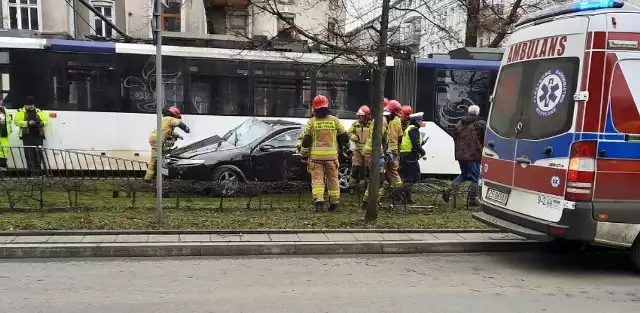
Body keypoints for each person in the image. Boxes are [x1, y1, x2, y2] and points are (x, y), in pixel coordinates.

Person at [300, 95, 349, 212]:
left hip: (316, 158)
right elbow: (345, 137)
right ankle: (334, 202)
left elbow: (306, 140)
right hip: (332, 157)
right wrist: (343, 148)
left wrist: (304, 154)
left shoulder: (311, 122)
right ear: (327, 106)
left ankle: (319, 200)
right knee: (333, 179)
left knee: (317, 179)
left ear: (314, 108)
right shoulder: (335, 121)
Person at [442, 104, 486, 206]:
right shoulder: (481, 124)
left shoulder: (459, 123)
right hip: (473, 155)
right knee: (476, 177)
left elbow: (454, 137)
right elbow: (485, 139)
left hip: (460, 154)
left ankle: (448, 189)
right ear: (477, 113)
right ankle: (472, 199)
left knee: (465, 174)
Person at [144, 106, 191, 182]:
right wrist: (186, 128)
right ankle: (150, 179)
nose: (177, 118)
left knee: (159, 158)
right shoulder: (170, 119)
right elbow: (179, 123)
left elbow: (170, 132)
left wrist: (178, 136)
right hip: (158, 140)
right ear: (175, 114)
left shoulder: (166, 120)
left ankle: (154, 177)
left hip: (155, 138)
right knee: (156, 159)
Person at [361, 98, 390, 209]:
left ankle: (369, 202)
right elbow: (377, 140)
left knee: (377, 178)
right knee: (377, 178)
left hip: (372, 152)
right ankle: (370, 203)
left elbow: (383, 140)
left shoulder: (381, 119)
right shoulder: (382, 121)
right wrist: (382, 155)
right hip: (373, 152)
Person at [14, 96, 49, 177]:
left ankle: (37, 173)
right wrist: (27, 123)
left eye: (32, 104)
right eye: (29, 105)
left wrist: (41, 123)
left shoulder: (39, 111)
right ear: (25, 105)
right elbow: (16, 122)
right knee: (29, 155)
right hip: (27, 137)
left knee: (38, 155)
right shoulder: (20, 112)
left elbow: (46, 120)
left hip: (38, 136)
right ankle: (32, 173)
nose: (31, 106)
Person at [399, 112, 427, 203]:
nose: (423, 122)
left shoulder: (411, 128)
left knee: (410, 176)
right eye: (421, 120)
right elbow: (415, 144)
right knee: (412, 176)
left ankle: (406, 197)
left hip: (407, 155)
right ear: (417, 121)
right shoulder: (413, 129)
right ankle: (402, 196)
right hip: (409, 155)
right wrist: (422, 152)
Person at [382, 100, 404, 197]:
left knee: (382, 172)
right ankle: (399, 192)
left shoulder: (382, 120)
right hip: (393, 150)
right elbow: (400, 137)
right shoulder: (398, 121)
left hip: (384, 149)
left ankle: (382, 193)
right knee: (393, 171)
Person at [348, 105, 371, 189]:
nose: (360, 117)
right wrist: (352, 136)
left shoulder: (371, 124)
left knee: (368, 170)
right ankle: (352, 187)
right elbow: (349, 132)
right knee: (355, 168)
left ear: (366, 115)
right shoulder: (355, 124)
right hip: (358, 150)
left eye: (362, 115)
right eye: (359, 115)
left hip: (368, 150)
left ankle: (368, 187)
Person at [0, 97, 12, 174]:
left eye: (1, 102)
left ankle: (3, 167)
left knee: (4, 150)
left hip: (4, 134)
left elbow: (9, 121)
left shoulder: (5, 110)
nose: (0, 104)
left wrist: (9, 130)